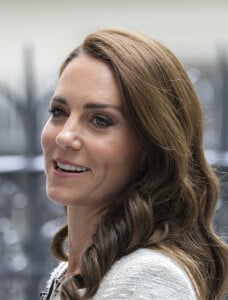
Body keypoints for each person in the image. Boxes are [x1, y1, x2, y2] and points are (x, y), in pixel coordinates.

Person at [40, 28, 228, 300]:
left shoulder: (145, 278)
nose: (65, 136)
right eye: (59, 112)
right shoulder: (72, 272)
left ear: (149, 147)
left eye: (100, 120)